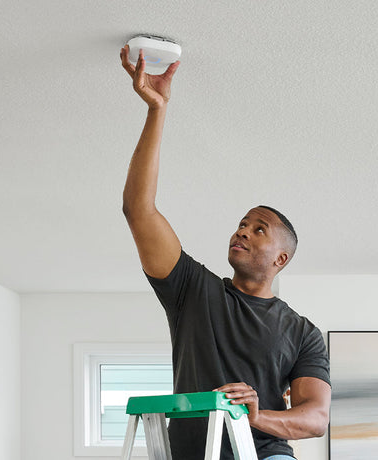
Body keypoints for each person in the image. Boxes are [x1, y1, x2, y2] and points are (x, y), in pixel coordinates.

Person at [120, 45, 331, 460]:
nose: (243, 232)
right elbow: (138, 210)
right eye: (241, 224)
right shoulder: (193, 291)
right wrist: (157, 110)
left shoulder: (302, 332)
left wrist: (256, 415)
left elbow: (315, 418)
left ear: (280, 259)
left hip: (265, 453)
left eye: (258, 229)